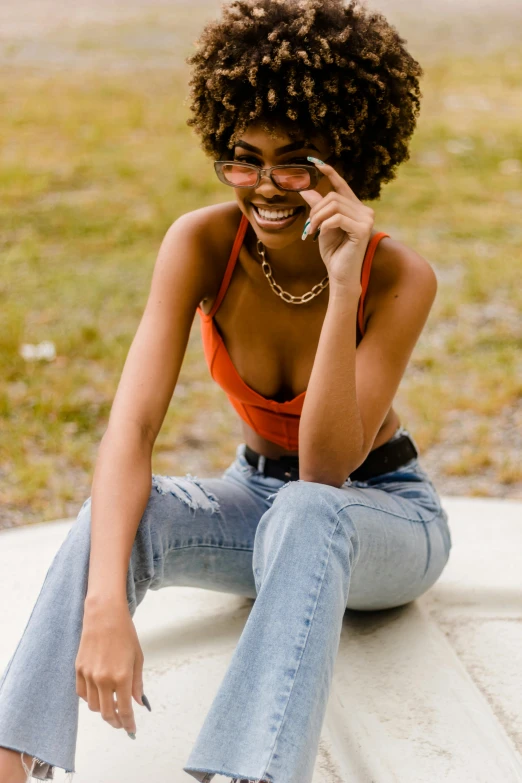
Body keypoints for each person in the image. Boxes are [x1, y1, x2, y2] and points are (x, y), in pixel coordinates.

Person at [0, 0, 453, 781]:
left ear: (350, 154)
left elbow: (324, 473)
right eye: (244, 157)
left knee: (308, 509)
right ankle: (10, 759)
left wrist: (343, 286)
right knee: (116, 515)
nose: (266, 185)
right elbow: (131, 431)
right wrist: (106, 602)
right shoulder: (203, 242)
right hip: (255, 502)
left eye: (297, 160)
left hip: (380, 516)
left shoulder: (400, 277)